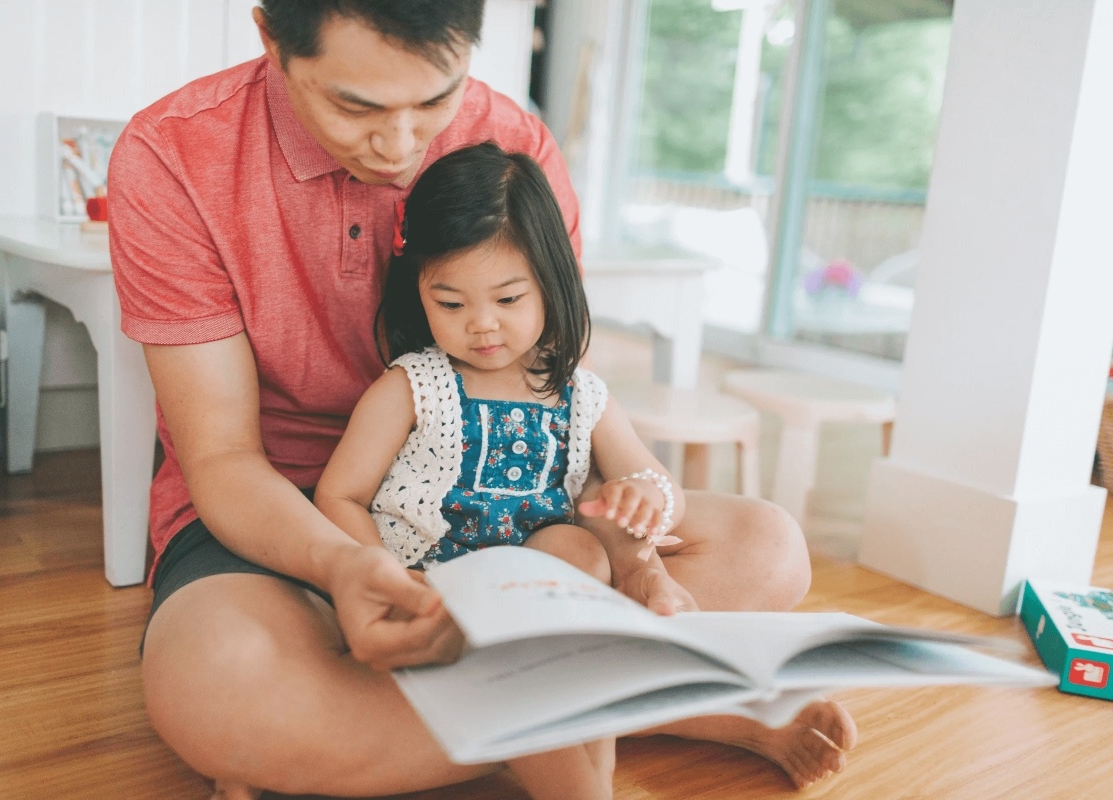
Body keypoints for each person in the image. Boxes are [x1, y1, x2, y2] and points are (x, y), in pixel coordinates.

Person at [107, 2, 854, 798]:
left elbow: (557, 398)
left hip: (509, 532)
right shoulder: (174, 155)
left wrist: (632, 539)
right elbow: (221, 459)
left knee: (769, 548)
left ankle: (407, 733)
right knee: (218, 686)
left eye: (435, 100)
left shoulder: (514, 147)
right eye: (355, 106)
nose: (401, 148)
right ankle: (664, 701)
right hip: (279, 513)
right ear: (270, 37)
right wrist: (347, 563)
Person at [315, 142, 686, 799]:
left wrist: (641, 495)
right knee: (556, 687)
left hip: (532, 606)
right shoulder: (414, 386)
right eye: (451, 303)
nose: (481, 325)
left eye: (508, 298)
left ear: (550, 282)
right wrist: (385, 577)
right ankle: (573, 771)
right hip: (434, 590)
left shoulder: (578, 391)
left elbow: (658, 483)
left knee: (579, 544)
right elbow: (339, 494)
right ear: (419, 293)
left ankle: (567, 726)